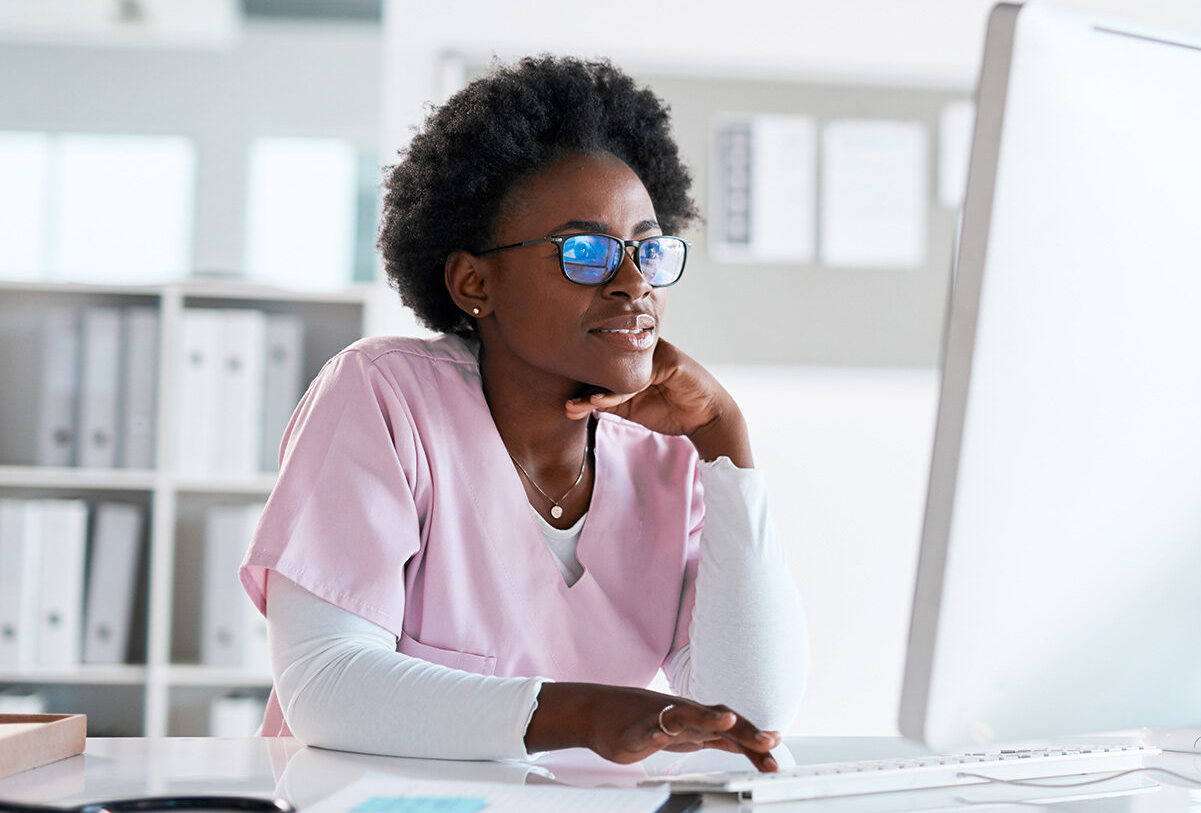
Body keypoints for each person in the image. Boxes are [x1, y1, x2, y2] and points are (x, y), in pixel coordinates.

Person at [240, 55, 806, 769]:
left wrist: (725, 439)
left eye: (648, 251)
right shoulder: (384, 397)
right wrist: (583, 711)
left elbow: (748, 714)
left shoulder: (669, 460)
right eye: (586, 251)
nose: (634, 284)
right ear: (475, 281)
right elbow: (326, 683)